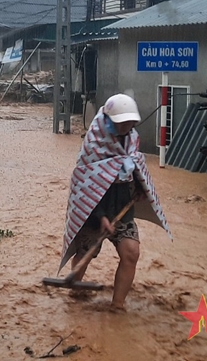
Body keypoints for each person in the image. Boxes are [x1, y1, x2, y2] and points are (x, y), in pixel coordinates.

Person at [58, 93, 172, 311]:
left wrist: (139, 188)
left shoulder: (132, 139)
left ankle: (117, 305)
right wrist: (101, 216)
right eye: (122, 123)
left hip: (122, 206)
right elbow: (85, 183)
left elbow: (136, 167)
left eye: (130, 123)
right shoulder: (93, 144)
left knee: (131, 253)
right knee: (86, 251)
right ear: (109, 120)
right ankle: (76, 295)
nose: (126, 127)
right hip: (93, 208)